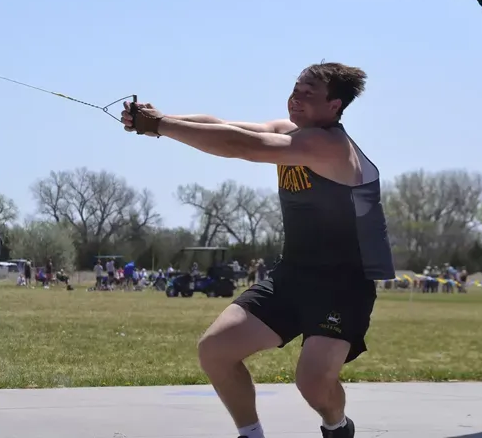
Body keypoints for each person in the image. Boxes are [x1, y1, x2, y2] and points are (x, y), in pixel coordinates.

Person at [121, 62, 395, 438]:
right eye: (295, 89)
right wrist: (160, 119)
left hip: (342, 285)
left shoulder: (329, 145)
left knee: (313, 384)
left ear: (334, 106)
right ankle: (251, 435)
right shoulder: (291, 132)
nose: (295, 98)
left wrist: (160, 126)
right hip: (292, 276)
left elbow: (243, 147)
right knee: (215, 350)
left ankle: (337, 427)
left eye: (309, 93)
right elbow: (225, 127)